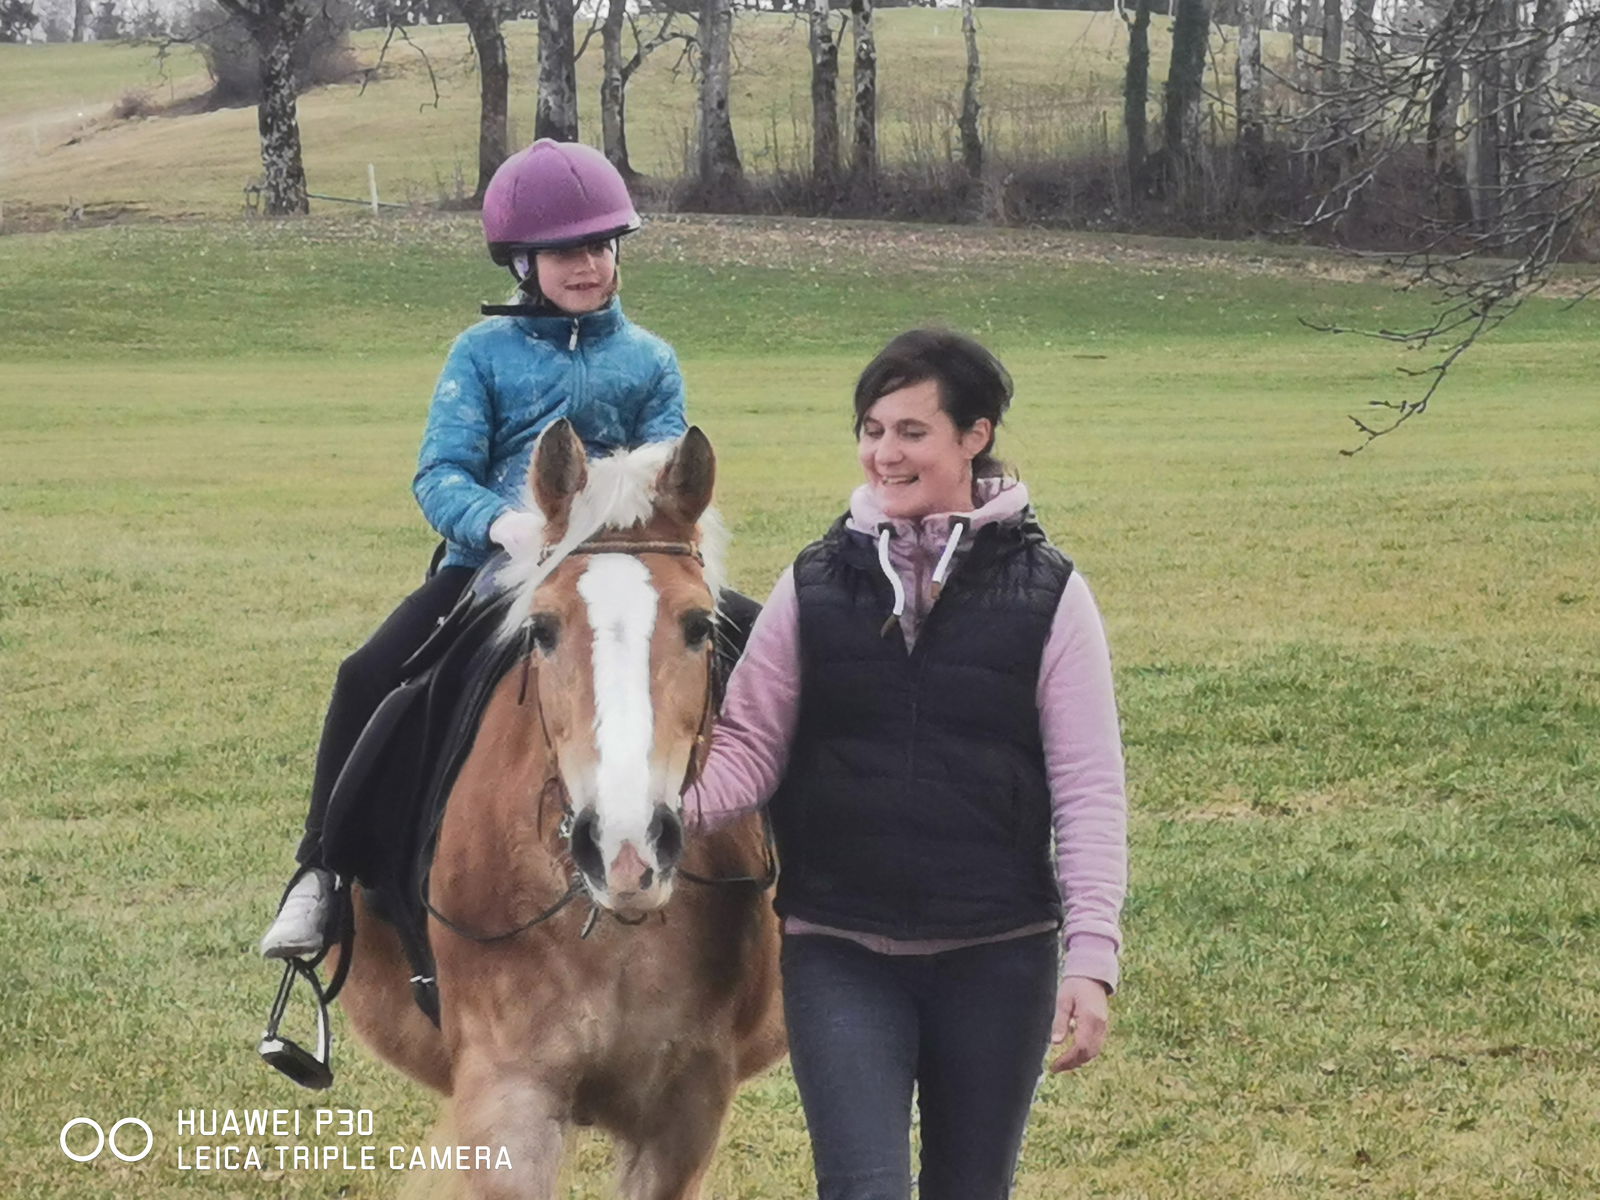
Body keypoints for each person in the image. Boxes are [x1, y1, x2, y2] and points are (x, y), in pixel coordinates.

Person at [684, 328, 1128, 1200]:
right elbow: (748, 752)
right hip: (840, 952)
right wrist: (652, 811)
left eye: (912, 431)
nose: (885, 453)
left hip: (999, 957)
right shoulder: (813, 584)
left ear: (975, 436)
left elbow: (1088, 791)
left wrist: (1090, 956)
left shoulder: (1051, 594)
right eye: (872, 429)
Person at [258, 139, 691, 959]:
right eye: (565, 251)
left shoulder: (651, 361)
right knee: (366, 674)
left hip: (624, 577)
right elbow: (440, 474)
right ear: (524, 263)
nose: (588, 265)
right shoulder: (479, 355)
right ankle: (321, 873)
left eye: (601, 246)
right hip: (490, 571)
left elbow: (668, 476)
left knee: (756, 649)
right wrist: (502, 524)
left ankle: (793, 868)